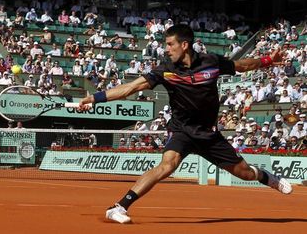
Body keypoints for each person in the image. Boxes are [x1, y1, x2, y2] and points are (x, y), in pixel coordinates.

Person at [78, 24, 292, 224]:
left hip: (208, 135)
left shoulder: (211, 62)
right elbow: (131, 87)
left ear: (185, 45)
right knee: (167, 165)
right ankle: (119, 207)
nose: (166, 49)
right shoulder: (166, 70)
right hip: (182, 131)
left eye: (170, 44)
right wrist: (95, 98)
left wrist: (267, 61)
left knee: (245, 173)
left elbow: (241, 65)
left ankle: (269, 178)